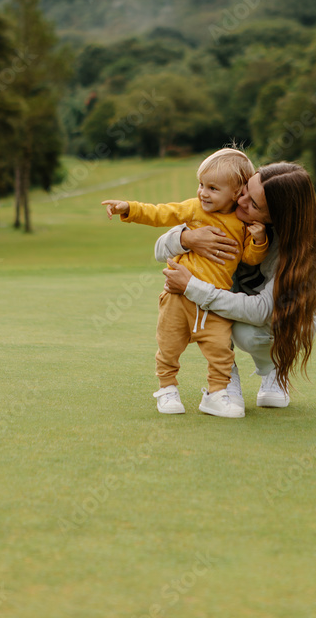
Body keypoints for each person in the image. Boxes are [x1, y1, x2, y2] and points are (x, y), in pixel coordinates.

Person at [101, 148, 269, 418]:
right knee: (169, 347)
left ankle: (216, 394)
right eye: (201, 184)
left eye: (213, 188)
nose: (203, 192)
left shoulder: (241, 223)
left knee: (221, 352)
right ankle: (167, 389)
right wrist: (129, 208)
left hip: (213, 302)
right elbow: (160, 214)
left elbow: (248, 257)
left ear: (237, 193)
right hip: (178, 298)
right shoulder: (194, 208)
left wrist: (259, 241)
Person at [155, 162, 316, 411]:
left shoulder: (304, 247)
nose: (241, 202)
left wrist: (192, 286)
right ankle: (226, 376)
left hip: (279, 317)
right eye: (245, 192)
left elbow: (262, 310)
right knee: (221, 311)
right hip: (232, 299)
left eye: (254, 205)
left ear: (275, 217)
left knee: (247, 332)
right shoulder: (224, 207)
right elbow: (160, 248)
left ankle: (274, 368)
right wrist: (188, 239)